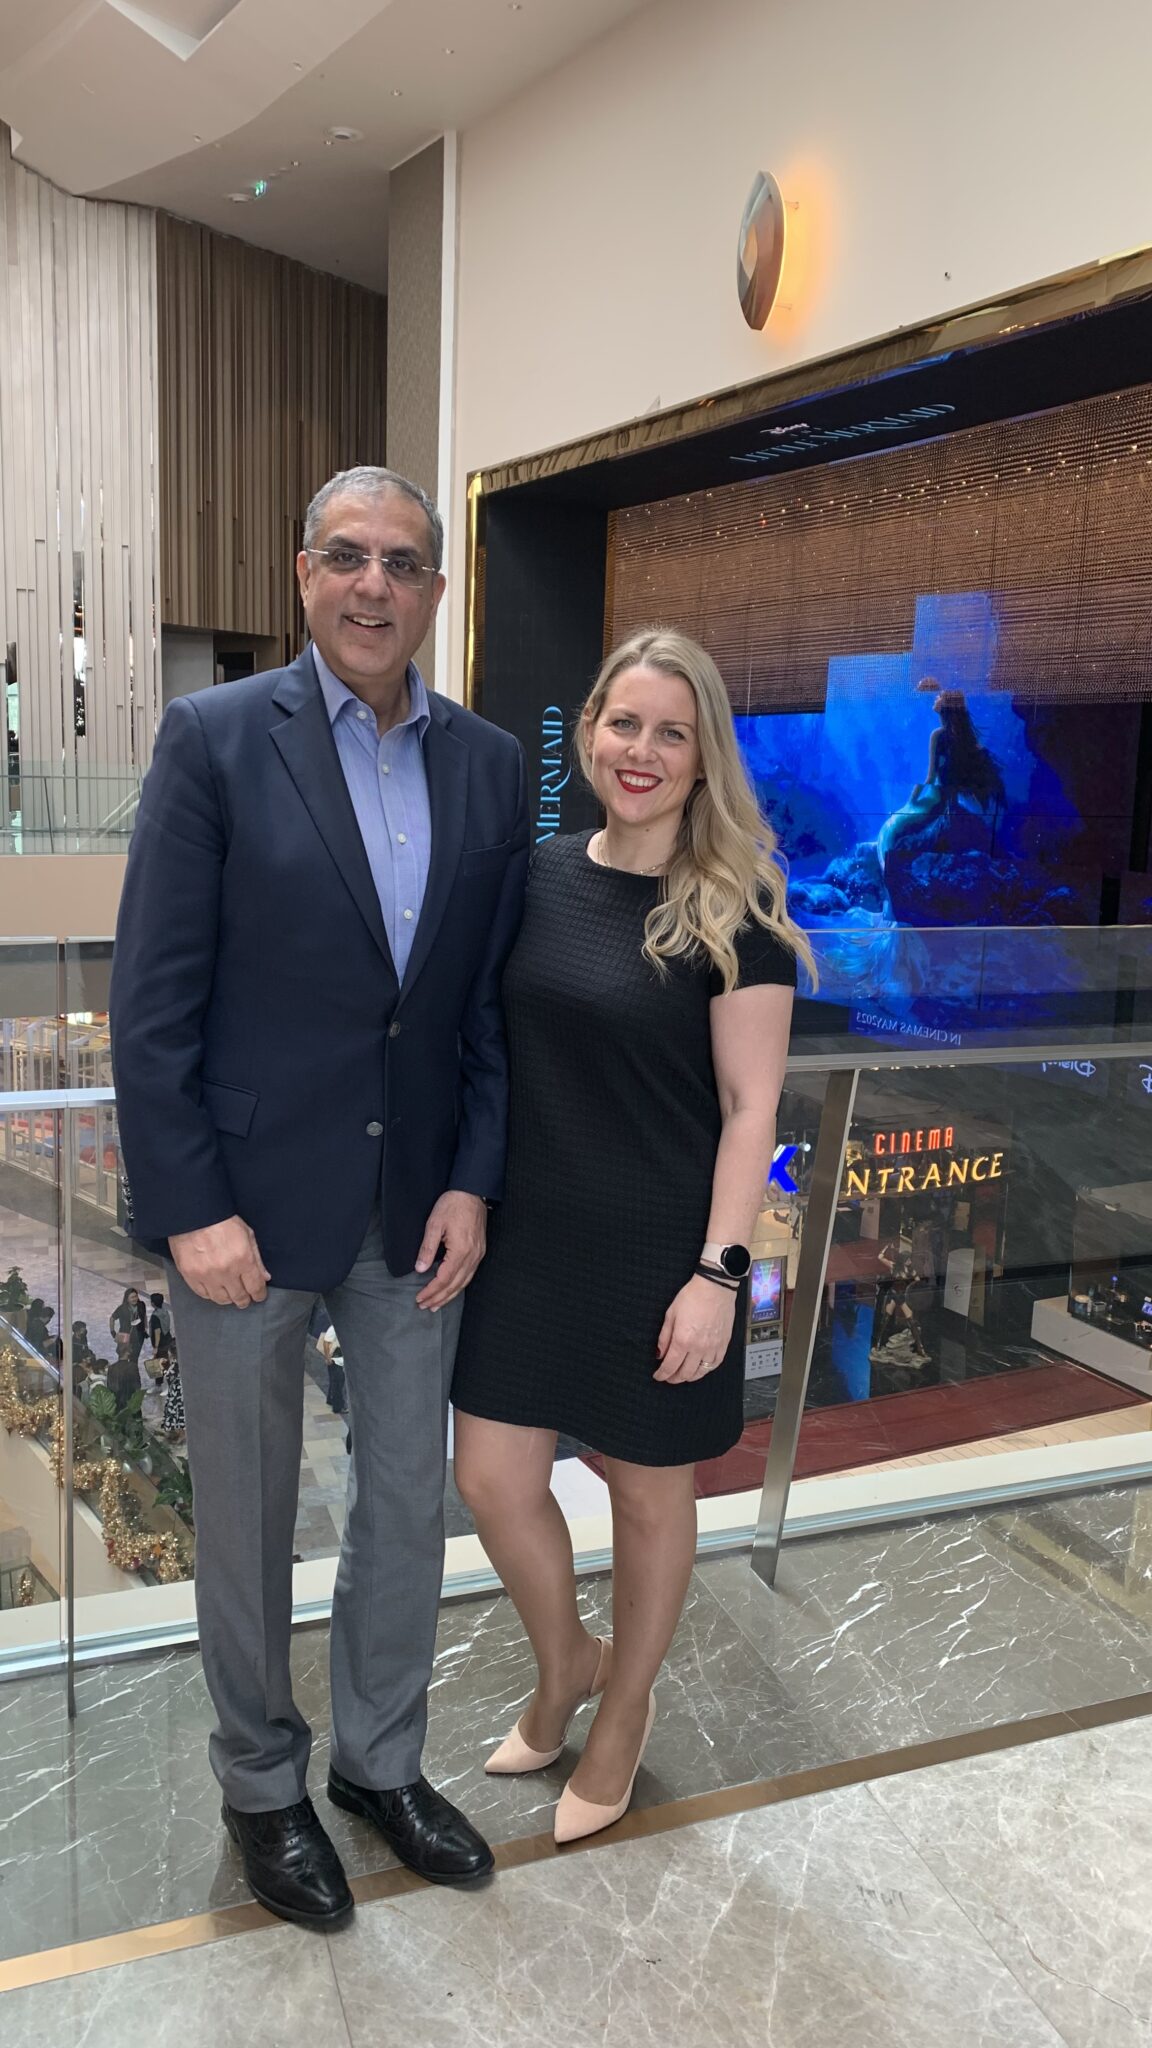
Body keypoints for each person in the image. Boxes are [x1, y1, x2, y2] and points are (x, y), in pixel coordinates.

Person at [110, 465, 528, 1932]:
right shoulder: (216, 738)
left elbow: (481, 1008)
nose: (373, 584)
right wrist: (191, 1205)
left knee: (406, 1503)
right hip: (243, 1210)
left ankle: (380, 1765)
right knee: (245, 1517)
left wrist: (474, 1178)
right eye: (347, 556)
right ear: (303, 575)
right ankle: (261, 1784)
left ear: (435, 590)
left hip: (415, 1210)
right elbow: (152, 1001)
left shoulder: (488, 764)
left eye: (403, 562)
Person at [453, 627, 810, 1844]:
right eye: (625, 723)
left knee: (650, 1496)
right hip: (532, 1240)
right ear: (589, 730)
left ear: (704, 757)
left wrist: (719, 1273)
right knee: (492, 1478)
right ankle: (567, 1657)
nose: (642, 751)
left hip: (666, 1248)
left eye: (673, 732)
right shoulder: (539, 873)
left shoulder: (738, 908)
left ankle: (624, 1706)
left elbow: (752, 1107)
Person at [876, 682, 1006, 884]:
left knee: (888, 832)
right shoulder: (968, 742)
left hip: (935, 800)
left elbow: (929, 778)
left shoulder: (938, 735)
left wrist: (911, 802)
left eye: (940, 696)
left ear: (946, 705)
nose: (936, 698)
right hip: (947, 802)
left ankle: (889, 877)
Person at [109, 1287, 146, 1363]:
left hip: (138, 1336)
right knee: (123, 1357)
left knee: (135, 1357)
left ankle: (133, 1368)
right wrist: (113, 1332)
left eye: (136, 1296)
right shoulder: (122, 1308)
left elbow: (144, 1316)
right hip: (124, 1336)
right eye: (132, 1297)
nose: (134, 1299)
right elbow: (112, 1318)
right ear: (127, 1299)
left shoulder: (141, 1305)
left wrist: (145, 1327)